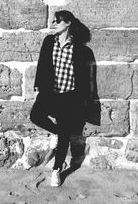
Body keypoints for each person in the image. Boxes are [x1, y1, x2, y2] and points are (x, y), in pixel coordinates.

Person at [30, 10, 96, 187]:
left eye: (58, 21)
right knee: (35, 116)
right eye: (54, 20)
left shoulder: (80, 49)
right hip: (50, 93)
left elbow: (86, 77)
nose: (54, 23)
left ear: (68, 23)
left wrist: (84, 99)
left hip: (70, 96)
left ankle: (56, 170)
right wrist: (37, 86)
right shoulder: (49, 41)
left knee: (66, 134)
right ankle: (58, 132)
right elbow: (41, 64)